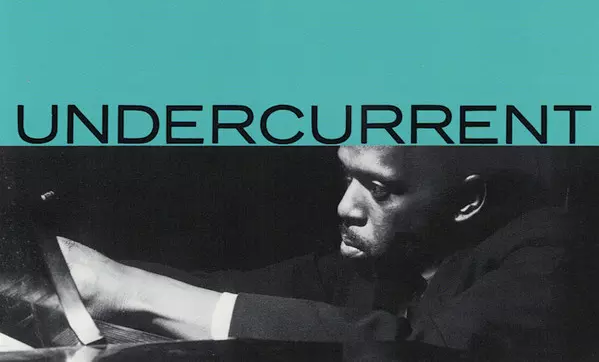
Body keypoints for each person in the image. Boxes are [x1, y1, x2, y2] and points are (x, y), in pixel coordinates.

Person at [58, 146, 580, 357]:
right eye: (346, 176)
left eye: (378, 188)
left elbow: (422, 351)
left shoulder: (557, 253)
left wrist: (132, 289)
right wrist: (70, 270)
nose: (345, 207)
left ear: (467, 202)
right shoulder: (383, 261)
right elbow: (224, 290)